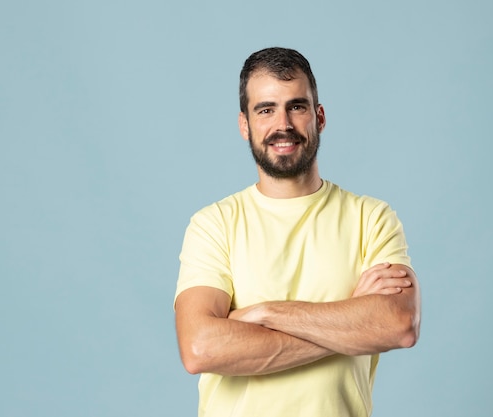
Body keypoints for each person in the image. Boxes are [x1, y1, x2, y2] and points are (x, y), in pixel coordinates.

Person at [174, 47, 421, 417]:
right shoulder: (214, 224)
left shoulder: (371, 218)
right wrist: (350, 323)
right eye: (266, 109)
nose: (283, 124)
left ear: (319, 117)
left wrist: (262, 313)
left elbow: (399, 324)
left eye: (297, 106)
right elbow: (199, 349)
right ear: (245, 125)